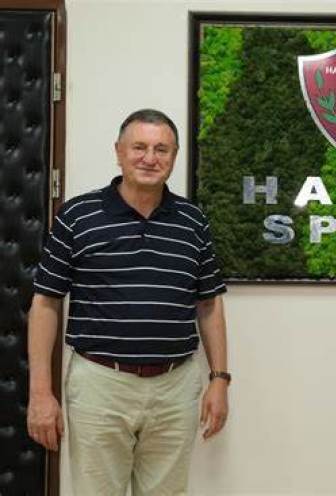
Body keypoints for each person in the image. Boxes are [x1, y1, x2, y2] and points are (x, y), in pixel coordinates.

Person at [26, 109, 230, 495]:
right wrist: (40, 393)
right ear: (119, 152)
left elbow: (209, 304)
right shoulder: (77, 216)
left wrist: (220, 380)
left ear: (174, 156)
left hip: (175, 388)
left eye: (162, 149)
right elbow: (46, 304)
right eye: (139, 147)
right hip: (100, 385)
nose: (150, 158)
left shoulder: (193, 221)